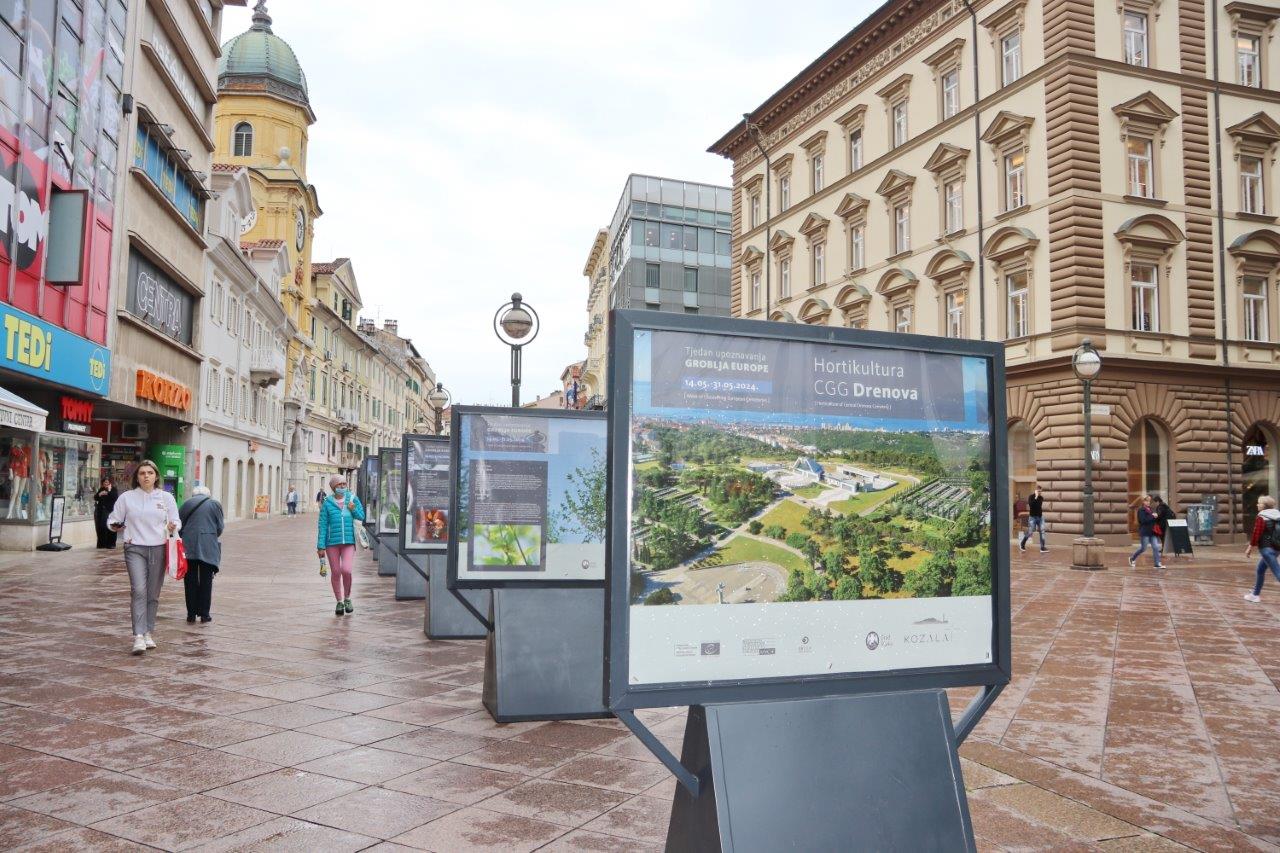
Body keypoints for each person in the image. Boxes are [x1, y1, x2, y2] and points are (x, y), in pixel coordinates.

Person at [106, 460, 180, 654]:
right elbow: (113, 518)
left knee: (153, 594)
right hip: (134, 548)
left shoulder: (166, 498)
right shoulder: (127, 498)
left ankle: (148, 632)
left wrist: (173, 526)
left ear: (156, 476)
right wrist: (114, 525)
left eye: (150, 473)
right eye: (142, 473)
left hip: (158, 548)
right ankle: (138, 636)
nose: (146, 476)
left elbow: (176, 520)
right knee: (139, 589)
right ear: (136, 477)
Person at [316, 474, 365, 616]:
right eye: (339, 485)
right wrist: (320, 546)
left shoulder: (352, 498)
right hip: (332, 543)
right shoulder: (327, 503)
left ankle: (348, 598)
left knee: (347, 570)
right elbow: (323, 525)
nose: (343, 487)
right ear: (333, 487)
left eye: (344, 484)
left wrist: (353, 508)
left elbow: (361, 516)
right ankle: (339, 601)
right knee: (336, 572)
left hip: (349, 542)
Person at [180, 485, 224, 623]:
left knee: (190, 580)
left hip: (188, 545)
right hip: (208, 545)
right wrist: (210, 535)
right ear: (208, 494)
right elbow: (220, 527)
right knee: (206, 580)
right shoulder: (215, 504)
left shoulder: (186, 504)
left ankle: (191, 614)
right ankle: (205, 614)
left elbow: (179, 525)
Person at [1243, 495, 1280, 603]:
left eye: (1259, 503)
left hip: (1266, 549)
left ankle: (1255, 594)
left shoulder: (1262, 516)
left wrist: (1250, 547)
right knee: (1260, 570)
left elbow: (1256, 534)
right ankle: (1255, 594)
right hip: (1276, 548)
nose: (1257, 505)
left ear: (1264, 506)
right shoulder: (1277, 515)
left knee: (1278, 573)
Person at [1129, 494, 1165, 569]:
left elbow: (1152, 520)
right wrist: (1153, 516)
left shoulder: (1150, 509)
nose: (1148, 502)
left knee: (1155, 547)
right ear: (1143, 501)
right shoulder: (1141, 510)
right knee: (1143, 548)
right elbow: (1143, 520)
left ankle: (1157, 563)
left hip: (1152, 532)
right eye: (1146, 501)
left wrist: (1156, 516)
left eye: (1149, 501)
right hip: (1145, 532)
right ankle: (1132, 558)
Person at [1019, 485, 1048, 553]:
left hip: (1040, 517)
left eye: (1041, 491)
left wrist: (1037, 497)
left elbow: (1037, 506)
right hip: (1032, 517)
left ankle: (1042, 547)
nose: (1040, 493)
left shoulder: (1041, 498)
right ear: (1035, 491)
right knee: (1030, 532)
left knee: (1042, 531)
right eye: (1038, 491)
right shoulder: (1031, 497)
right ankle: (1022, 543)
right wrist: (1036, 496)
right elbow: (1031, 505)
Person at [94, 476, 119, 548]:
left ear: (109, 483)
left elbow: (115, 497)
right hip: (102, 511)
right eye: (104, 482)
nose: (106, 484)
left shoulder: (113, 489)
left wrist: (108, 492)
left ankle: (111, 544)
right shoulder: (101, 489)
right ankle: (102, 544)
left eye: (107, 482)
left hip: (110, 511)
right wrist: (100, 494)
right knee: (102, 527)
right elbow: (95, 497)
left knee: (111, 527)